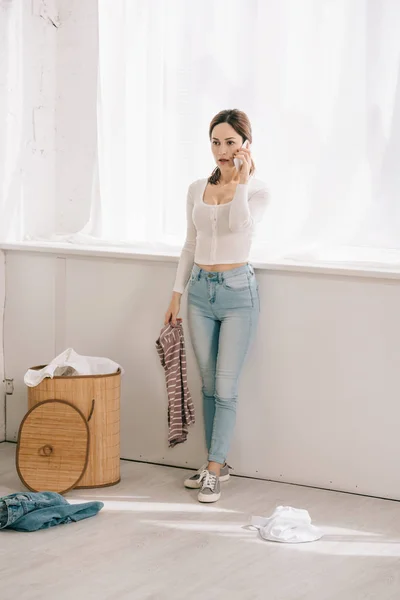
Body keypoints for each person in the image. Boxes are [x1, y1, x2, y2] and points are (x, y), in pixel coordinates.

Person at [164, 109, 269, 503]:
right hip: (199, 293)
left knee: (225, 387)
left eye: (229, 142)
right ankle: (217, 464)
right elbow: (190, 244)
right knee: (208, 385)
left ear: (245, 144)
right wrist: (176, 294)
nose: (221, 150)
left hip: (238, 292)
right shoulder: (195, 188)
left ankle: (213, 469)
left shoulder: (258, 191)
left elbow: (239, 227)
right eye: (215, 142)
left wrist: (240, 181)